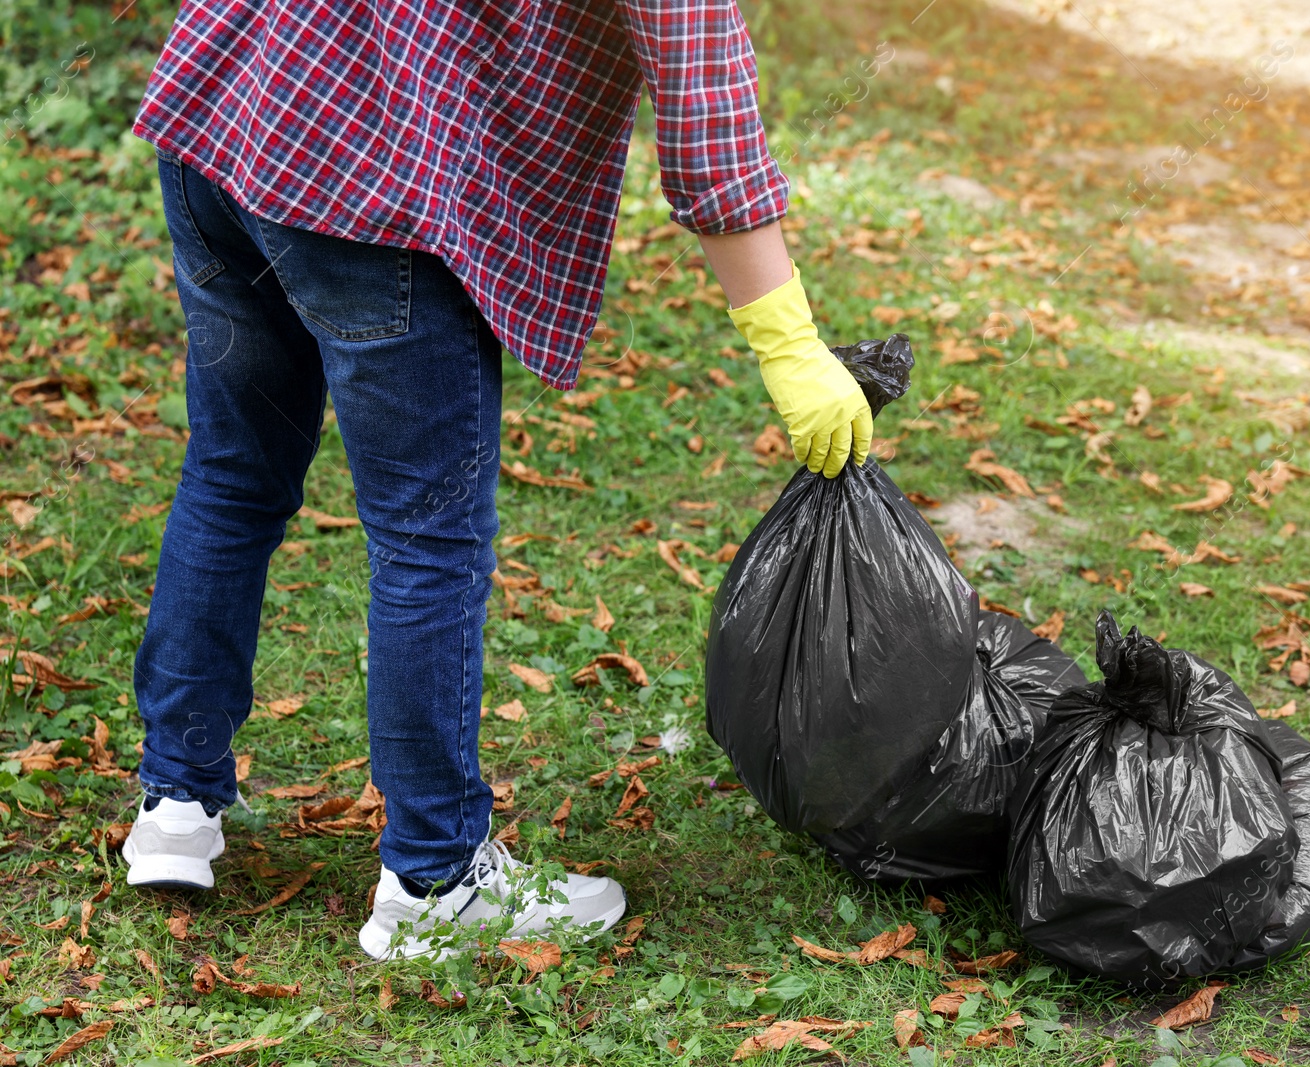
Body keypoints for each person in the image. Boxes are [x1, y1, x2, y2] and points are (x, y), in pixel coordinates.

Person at [120, 1, 872, 961]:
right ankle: (434, 881)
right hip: (371, 180)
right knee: (426, 536)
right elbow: (705, 98)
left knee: (231, 474)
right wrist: (786, 339)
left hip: (230, 111)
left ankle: (174, 802)